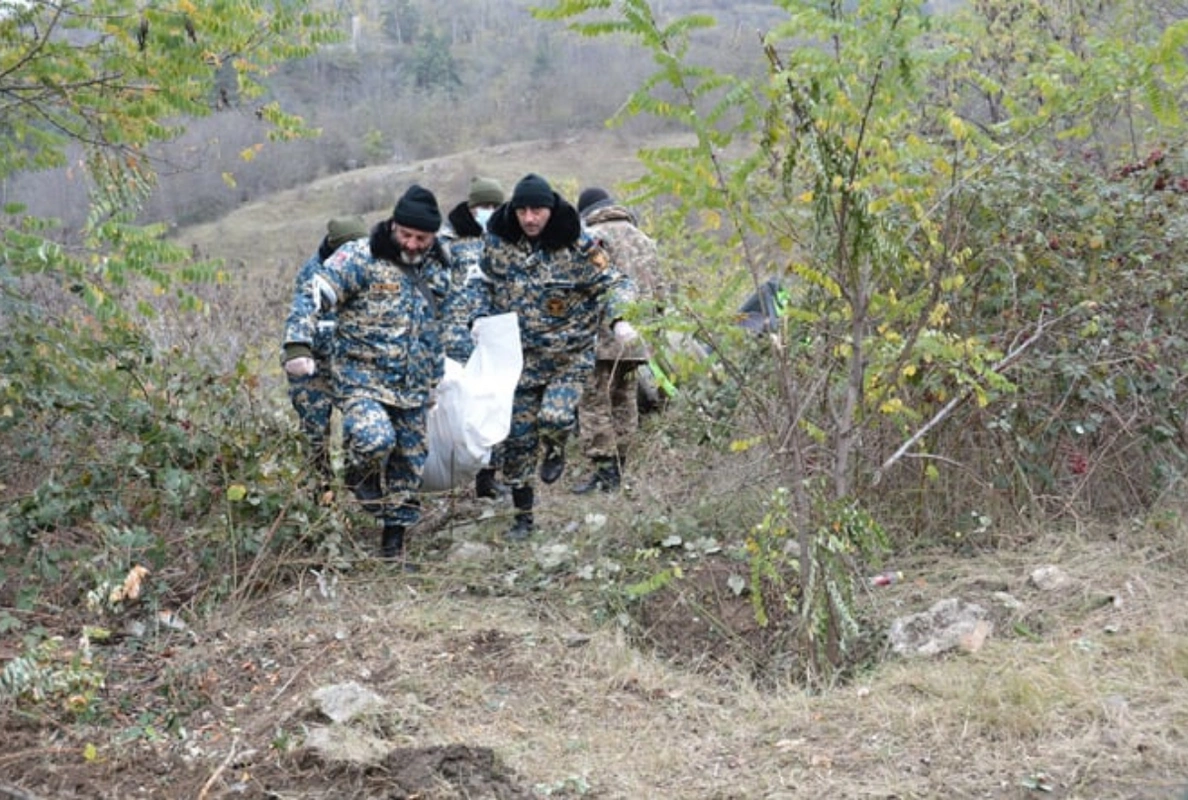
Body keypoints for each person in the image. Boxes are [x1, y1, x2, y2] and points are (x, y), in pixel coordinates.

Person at [281, 185, 455, 561]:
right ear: (393, 225)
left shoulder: (441, 267)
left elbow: (437, 326)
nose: (411, 244)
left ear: (433, 236)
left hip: (413, 385)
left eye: (420, 238)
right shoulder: (359, 257)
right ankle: (360, 474)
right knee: (375, 439)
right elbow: (314, 294)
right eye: (405, 234)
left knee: (409, 464)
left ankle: (394, 544)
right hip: (361, 379)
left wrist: (437, 377)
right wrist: (297, 345)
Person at [480, 173, 637, 539]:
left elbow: (615, 282)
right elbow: (480, 282)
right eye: (522, 211)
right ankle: (523, 517)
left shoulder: (578, 243)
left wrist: (619, 318)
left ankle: (554, 446)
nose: (530, 219)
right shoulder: (499, 242)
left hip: (568, 357)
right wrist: (474, 318)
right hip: (519, 359)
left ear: (550, 210)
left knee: (554, 417)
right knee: (517, 441)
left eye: (537, 211)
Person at [571, 187, 664, 494]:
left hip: (601, 336)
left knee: (595, 401)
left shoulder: (592, 238)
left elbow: (583, 288)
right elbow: (661, 291)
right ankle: (621, 463)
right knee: (625, 398)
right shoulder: (645, 240)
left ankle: (604, 471)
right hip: (637, 337)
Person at [438, 175, 510, 501]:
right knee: (455, 410)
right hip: (452, 340)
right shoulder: (446, 242)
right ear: (471, 207)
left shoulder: (504, 241)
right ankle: (445, 472)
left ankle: (488, 479)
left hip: (491, 339)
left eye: (495, 206)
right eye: (484, 205)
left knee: (493, 406)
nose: (489, 211)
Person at [283, 215, 368, 490]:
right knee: (315, 433)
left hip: (351, 364)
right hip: (313, 368)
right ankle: (321, 492)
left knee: (360, 425)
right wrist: (299, 349)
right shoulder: (313, 274)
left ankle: (359, 484)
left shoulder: (369, 269)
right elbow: (302, 315)